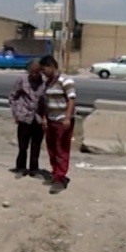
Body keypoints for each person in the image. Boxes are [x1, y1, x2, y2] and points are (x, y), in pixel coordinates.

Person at [38, 55, 76, 194]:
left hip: (62, 121)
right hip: (51, 120)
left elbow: (71, 99)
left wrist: (67, 118)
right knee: (52, 149)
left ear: (52, 67)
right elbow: (46, 102)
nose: (43, 73)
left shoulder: (65, 80)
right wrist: (44, 118)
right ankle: (55, 174)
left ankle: (60, 178)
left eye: (44, 69)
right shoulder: (48, 83)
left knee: (61, 149)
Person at [8, 59, 45, 177]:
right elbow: (13, 96)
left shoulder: (45, 82)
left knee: (36, 145)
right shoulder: (21, 80)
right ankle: (21, 168)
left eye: (37, 72)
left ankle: (34, 169)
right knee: (23, 145)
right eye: (32, 72)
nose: (34, 75)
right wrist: (15, 113)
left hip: (39, 117)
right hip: (24, 116)